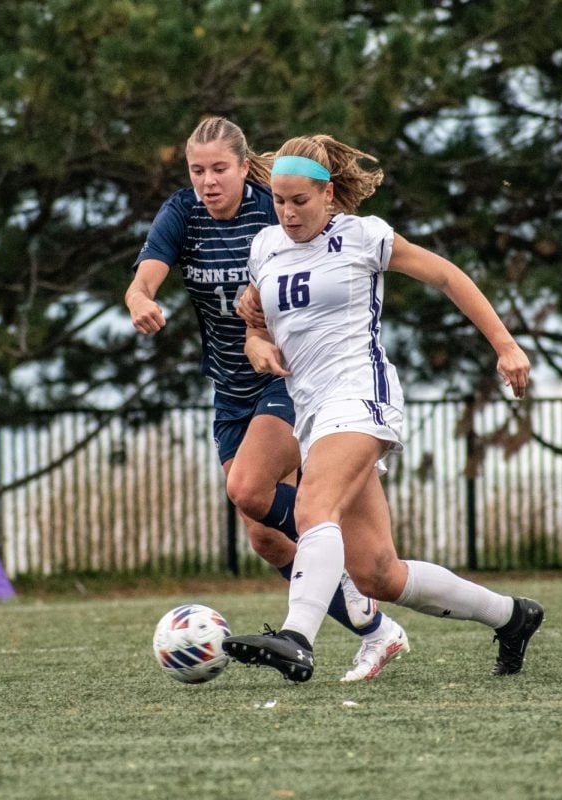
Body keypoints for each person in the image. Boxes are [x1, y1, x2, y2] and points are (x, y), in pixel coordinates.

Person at [222, 134, 544, 683]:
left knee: (312, 505)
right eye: (279, 199)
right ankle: (512, 617)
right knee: (377, 574)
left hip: (361, 392)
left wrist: (506, 344)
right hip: (312, 409)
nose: (288, 211)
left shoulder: (364, 236)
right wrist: (255, 340)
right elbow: (255, 318)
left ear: (329, 196)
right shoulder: (265, 247)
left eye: (300, 200)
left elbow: (446, 274)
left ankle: (297, 638)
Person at [124, 117, 410, 681]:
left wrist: (265, 335)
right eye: (197, 170)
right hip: (230, 389)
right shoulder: (183, 214)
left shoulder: (274, 211)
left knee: (249, 488)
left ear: (242, 165)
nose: (208, 181)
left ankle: (334, 569)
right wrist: (139, 299)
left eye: (219, 169)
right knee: (264, 536)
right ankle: (377, 629)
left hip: (286, 380)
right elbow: (144, 279)